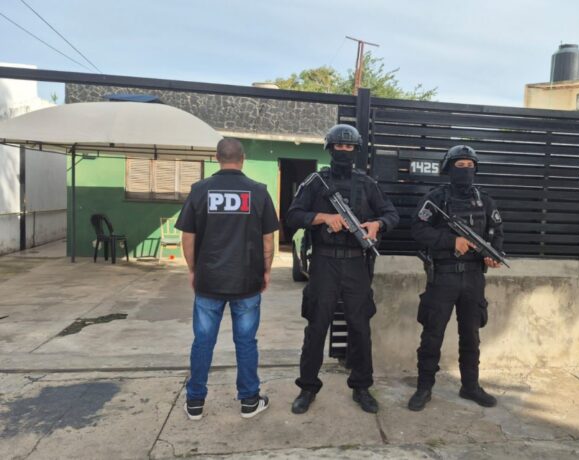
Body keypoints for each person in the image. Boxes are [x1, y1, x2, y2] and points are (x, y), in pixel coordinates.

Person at [286, 124, 399, 414]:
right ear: (330, 148)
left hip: (356, 263)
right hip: (324, 262)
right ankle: (307, 387)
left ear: (356, 150)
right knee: (316, 326)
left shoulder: (367, 184)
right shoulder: (316, 182)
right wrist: (323, 218)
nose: (344, 151)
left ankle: (361, 386)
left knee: (360, 327)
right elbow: (293, 215)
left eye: (349, 147)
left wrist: (377, 224)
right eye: (339, 146)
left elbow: (391, 214)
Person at [176, 138, 279, 421]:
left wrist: (193, 269)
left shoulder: (199, 190)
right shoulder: (258, 192)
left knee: (203, 342)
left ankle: (195, 403)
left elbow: (188, 237)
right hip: (246, 281)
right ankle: (249, 401)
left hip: (209, 281)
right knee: (246, 342)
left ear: (216, 158)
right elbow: (268, 240)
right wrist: (266, 270)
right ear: (242, 158)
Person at [407, 145, 504, 411]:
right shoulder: (435, 199)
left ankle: (470, 386)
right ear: (449, 169)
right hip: (443, 277)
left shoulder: (485, 201)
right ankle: (424, 387)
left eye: (470, 166)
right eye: (460, 165)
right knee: (432, 335)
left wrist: (493, 255)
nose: (465, 170)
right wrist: (452, 241)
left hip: (474, 278)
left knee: (471, 336)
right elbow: (418, 229)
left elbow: (497, 232)